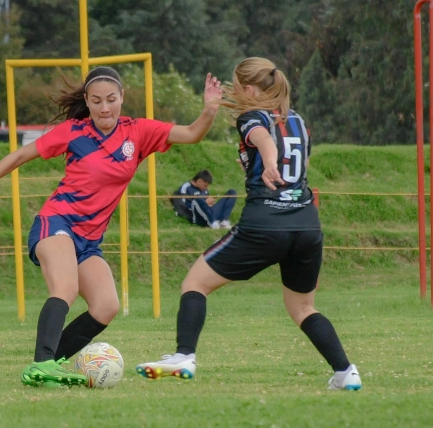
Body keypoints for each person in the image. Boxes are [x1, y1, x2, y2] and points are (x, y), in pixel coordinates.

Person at [0, 66, 222, 387]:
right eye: (97, 101)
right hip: (56, 223)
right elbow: (20, 155)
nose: (104, 107)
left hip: (88, 241)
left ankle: (52, 364)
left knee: (106, 306)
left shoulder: (138, 131)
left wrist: (209, 110)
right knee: (65, 288)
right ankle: (41, 364)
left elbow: (192, 134)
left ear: (122, 98)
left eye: (111, 99)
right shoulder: (73, 132)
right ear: (87, 102)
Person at [136, 57, 361, 391]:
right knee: (303, 307)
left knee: (195, 283)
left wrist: (268, 162)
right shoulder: (298, 120)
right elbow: (297, 163)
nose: (235, 92)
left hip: (265, 224)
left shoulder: (252, 117)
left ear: (251, 89)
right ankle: (345, 371)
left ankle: (184, 356)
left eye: (238, 86)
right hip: (306, 226)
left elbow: (264, 139)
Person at [172, 169, 237, 229]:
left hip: (209, 213)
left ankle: (224, 221)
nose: (206, 188)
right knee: (198, 198)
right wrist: (205, 202)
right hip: (197, 216)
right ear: (199, 181)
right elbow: (183, 207)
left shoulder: (204, 190)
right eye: (205, 185)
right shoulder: (186, 187)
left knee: (232, 192)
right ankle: (212, 223)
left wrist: (210, 203)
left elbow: (206, 204)